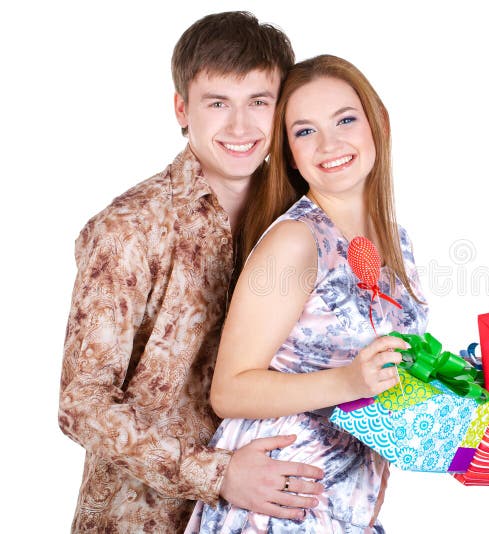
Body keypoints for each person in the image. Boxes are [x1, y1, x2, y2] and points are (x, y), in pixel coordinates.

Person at [58, 12, 326, 532]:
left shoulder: (303, 219)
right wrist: (218, 474)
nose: (241, 127)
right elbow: (81, 402)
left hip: (271, 515)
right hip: (146, 516)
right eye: (218, 103)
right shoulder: (130, 228)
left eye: (258, 103)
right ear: (182, 108)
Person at [185, 54, 429, 533]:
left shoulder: (394, 241)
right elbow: (229, 390)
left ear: (378, 122)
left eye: (344, 119)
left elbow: (386, 381)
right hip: (277, 508)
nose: (329, 143)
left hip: (343, 506)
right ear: (289, 152)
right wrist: (348, 382)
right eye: (304, 131)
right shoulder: (296, 241)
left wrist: (473, 396)